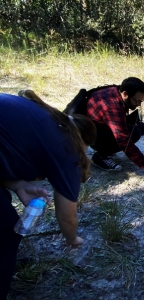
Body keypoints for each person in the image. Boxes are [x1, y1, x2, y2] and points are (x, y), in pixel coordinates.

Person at [0, 90, 97, 299]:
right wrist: (72, 239)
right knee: (5, 229)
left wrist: (16, 185)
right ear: (84, 143)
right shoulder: (68, 148)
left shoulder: (50, 121)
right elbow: (67, 215)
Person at [85, 77, 144, 181]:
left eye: (142, 101)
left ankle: (106, 149)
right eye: (137, 101)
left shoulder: (115, 90)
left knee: (141, 126)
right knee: (134, 133)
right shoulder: (112, 107)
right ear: (125, 94)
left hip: (98, 126)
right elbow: (124, 141)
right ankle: (100, 156)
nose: (139, 105)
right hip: (91, 136)